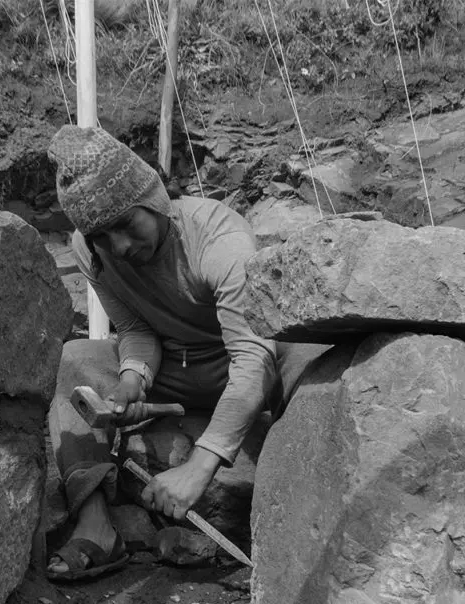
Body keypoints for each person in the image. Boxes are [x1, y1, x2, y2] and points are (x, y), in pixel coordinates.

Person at [45, 124, 319, 581]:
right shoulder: (88, 249)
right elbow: (135, 327)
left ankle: (302, 536)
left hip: (243, 362)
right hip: (175, 368)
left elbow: (252, 358)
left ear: (153, 200)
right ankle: (97, 527)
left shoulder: (219, 240)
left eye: (126, 227)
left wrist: (199, 466)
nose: (121, 248)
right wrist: (133, 378)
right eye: (102, 237)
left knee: (311, 359)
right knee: (77, 358)